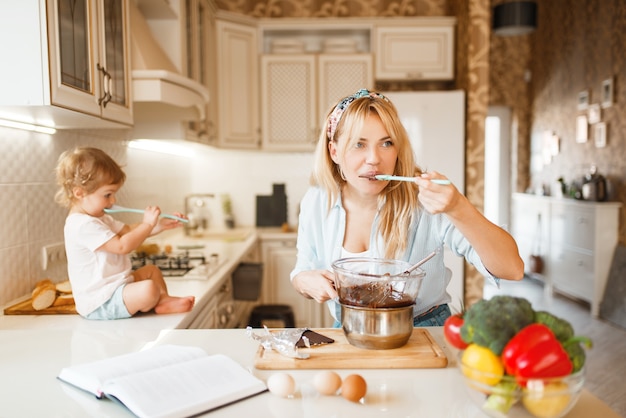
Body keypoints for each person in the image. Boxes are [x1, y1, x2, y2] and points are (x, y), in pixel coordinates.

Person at [290, 89, 524, 327]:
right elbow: (302, 270)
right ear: (334, 151)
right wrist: (305, 280)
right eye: (359, 144)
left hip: (423, 330)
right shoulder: (317, 200)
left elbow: (512, 269)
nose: (374, 158)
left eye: (386, 143)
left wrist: (458, 207)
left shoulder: (425, 199)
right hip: (351, 329)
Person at [54, 147, 195, 320]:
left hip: (116, 288)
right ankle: (157, 299)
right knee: (149, 288)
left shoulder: (99, 218)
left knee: (152, 271)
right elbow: (122, 246)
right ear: (80, 193)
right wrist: (147, 223)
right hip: (100, 302)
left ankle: (163, 301)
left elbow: (128, 231)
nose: (113, 201)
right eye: (108, 194)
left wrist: (159, 226)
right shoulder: (82, 225)